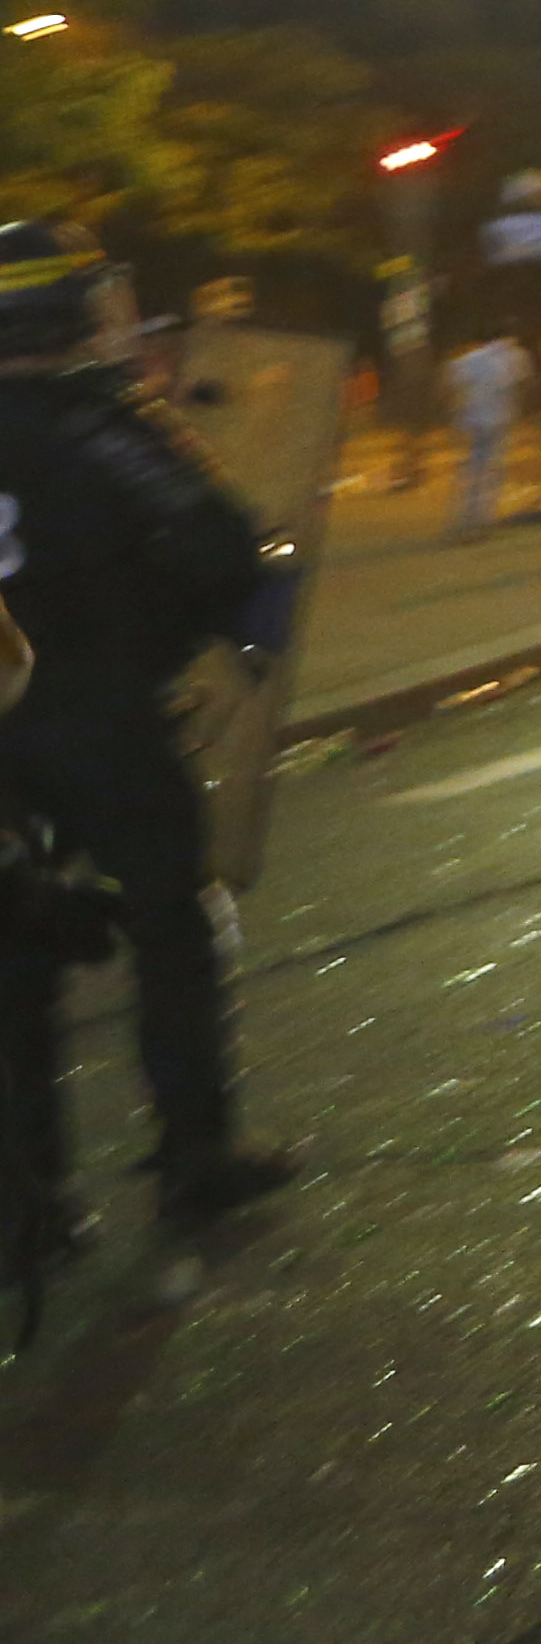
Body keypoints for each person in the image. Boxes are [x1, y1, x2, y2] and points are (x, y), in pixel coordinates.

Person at [0, 221, 305, 1240]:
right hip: (103, 721)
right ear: (70, 312)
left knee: (15, 956)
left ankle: (28, 1206)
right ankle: (194, 1156)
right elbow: (222, 549)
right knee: (172, 922)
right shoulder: (107, 422)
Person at [446, 329, 527, 532]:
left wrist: (457, 416)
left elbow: (455, 388)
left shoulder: (469, 359)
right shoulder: (508, 359)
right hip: (499, 421)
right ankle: (484, 517)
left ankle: (465, 517)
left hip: (474, 421)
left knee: (472, 468)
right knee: (494, 469)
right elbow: (516, 389)